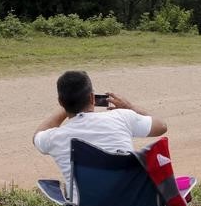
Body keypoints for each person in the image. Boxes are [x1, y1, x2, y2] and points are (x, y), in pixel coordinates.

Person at [33, 70, 167, 192]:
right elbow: (161, 126)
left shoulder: (55, 137)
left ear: (61, 102)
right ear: (92, 98)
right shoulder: (122, 117)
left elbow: (37, 136)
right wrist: (129, 107)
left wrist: (67, 106)